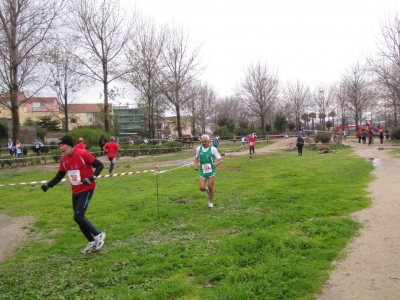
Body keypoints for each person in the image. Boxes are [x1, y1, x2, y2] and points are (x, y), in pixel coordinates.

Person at [40, 135, 105, 254]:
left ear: (70, 145)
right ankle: (91, 242)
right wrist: (49, 185)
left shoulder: (82, 154)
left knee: (78, 217)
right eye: (60, 146)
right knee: (79, 218)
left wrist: (91, 178)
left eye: (63, 145)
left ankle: (98, 235)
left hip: (87, 188)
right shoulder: (64, 159)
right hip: (75, 191)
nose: (61, 148)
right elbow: (60, 175)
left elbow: (100, 165)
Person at [194, 134, 222, 208]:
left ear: (209, 141)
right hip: (203, 171)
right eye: (202, 141)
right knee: (201, 188)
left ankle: (210, 201)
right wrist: (196, 165)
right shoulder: (198, 149)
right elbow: (196, 158)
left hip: (211, 171)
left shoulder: (213, 149)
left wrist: (216, 164)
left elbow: (219, 159)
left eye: (205, 141)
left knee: (210, 186)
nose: (203, 143)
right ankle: (207, 190)